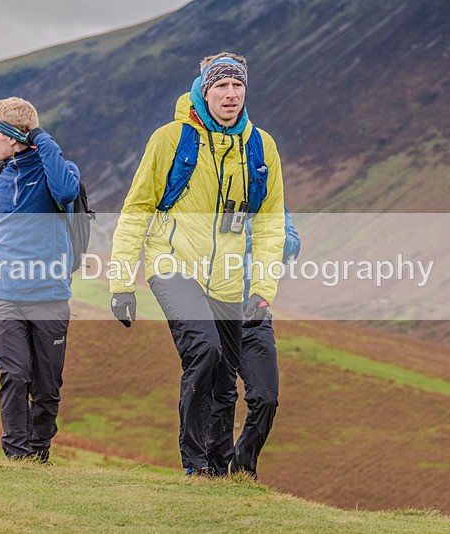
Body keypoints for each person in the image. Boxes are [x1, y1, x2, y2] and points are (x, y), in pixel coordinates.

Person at [108, 52, 286, 476]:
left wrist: (263, 290)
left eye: (238, 85)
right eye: (221, 86)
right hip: (173, 267)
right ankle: (195, 465)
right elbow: (136, 210)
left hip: (229, 282)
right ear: (204, 92)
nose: (231, 94)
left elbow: (270, 226)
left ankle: (217, 470)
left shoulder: (261, 147)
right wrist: (121, 283)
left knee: (225, 382)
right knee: (204, 351)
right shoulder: (171, 139)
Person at [0, 96, 80, 462]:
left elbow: (66, 192)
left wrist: (41, 138)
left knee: (47, 388)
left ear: (12, 136)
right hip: (4, 293)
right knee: (14, 376)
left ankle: (38, 452)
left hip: (49, 295)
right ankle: (16, 457)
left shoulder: (59, 171)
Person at [231, 207, 300, 479]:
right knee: (217, 395)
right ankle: (209, 470)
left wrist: (254, 233)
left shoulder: (271, 200)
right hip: (215, 312)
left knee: (266, 398)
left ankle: (243, 465)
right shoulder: (213, 190)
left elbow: (292, 247)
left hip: (256, 315)